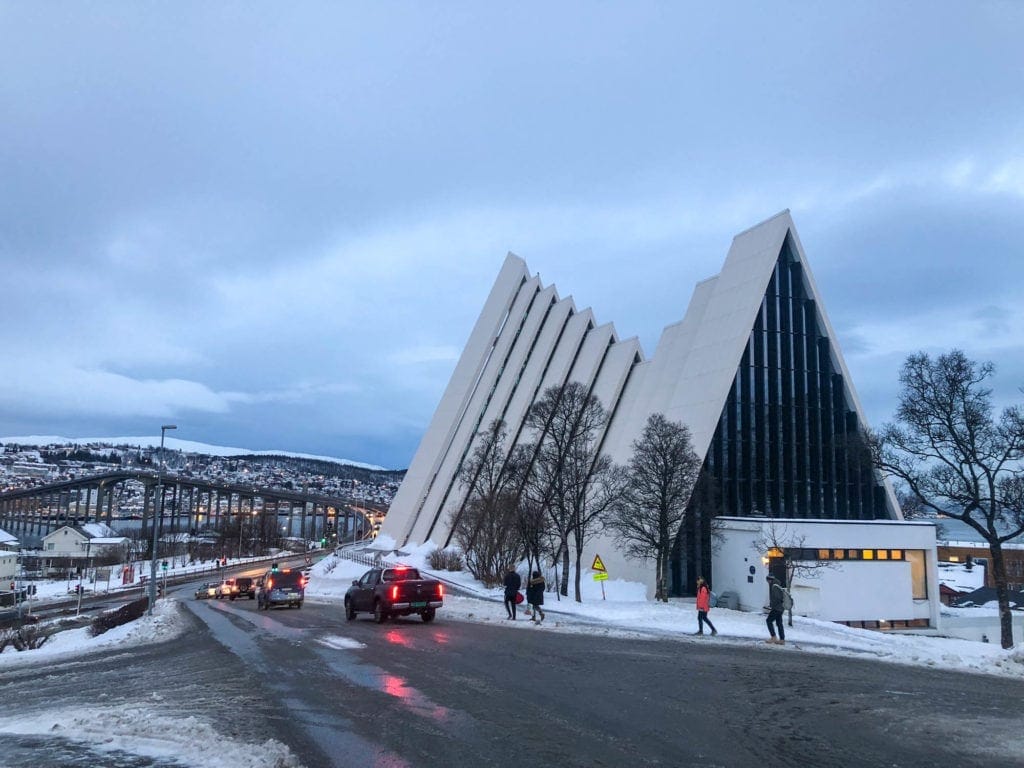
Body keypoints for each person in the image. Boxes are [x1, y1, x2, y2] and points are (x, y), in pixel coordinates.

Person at [766, 575, 785, 645]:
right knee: (779, 623)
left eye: (767, 580)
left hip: (777, 608)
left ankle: (773, 637)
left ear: (769, 580)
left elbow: (777, 598)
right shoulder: (778, 585)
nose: (767, 582)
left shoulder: (774, 586)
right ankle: (782, 639)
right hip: (781, 608)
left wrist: (773, 605)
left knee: (768, 621)